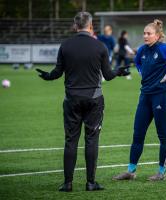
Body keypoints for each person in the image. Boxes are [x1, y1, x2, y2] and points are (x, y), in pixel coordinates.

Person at [36, 12, 129, 192]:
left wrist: (47, 76)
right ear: (91, 25)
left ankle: (67, 183)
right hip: (94, 99)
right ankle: (90, 183)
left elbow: (57, 72)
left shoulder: (66, 45)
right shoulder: (100, 46)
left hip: (72, 99)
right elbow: (108, 76)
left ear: (75, 25)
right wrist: (119, 71)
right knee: (91, 140)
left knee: (71, 140)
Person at [113, 19, 166, 181]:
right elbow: (137, 62)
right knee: (137, 134)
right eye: (144, 33)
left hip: (162, 96)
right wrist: (142, 72)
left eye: (149, 33)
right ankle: (130, 171)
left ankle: (161, 172)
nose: (145, 36)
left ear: (157, 35)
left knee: (163, 136)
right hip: (145, 96)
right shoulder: (142, 50)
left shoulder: (165, 49)